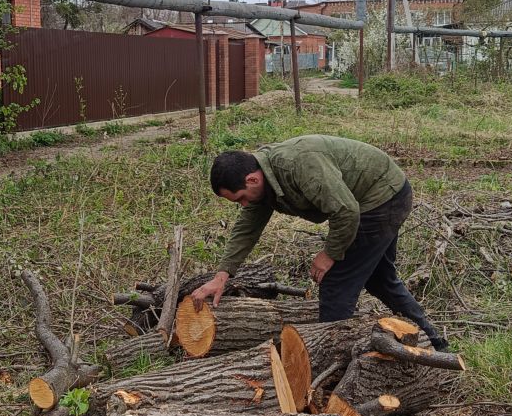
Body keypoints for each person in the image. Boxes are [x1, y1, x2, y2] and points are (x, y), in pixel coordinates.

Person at [191, 135, 448, 349]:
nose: (243, 205)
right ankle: (434, 342)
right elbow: (246, 228)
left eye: (240, 199)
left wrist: (329, 254)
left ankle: (330, 360)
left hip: (381, 199)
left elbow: (346, 211)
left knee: (336, 283)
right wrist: (222, 276)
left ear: (252, 180)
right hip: (375, 197)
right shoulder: (262, 180)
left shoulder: (298, 165)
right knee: (380, 279)